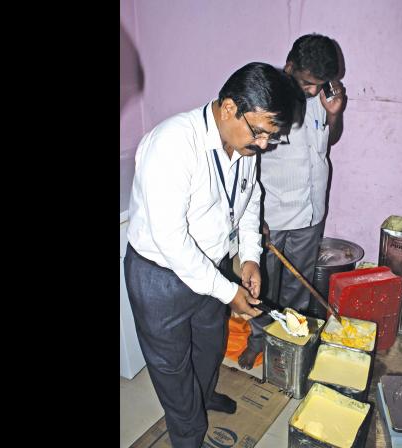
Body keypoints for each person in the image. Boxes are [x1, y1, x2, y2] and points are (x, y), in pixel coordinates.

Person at [124, 62, 304, 447]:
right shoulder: (172, 145)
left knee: (209, 342)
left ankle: (203, 396)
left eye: (271, 138)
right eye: (259, 133)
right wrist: (228, 292)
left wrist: (251, 255)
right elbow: (172, 241)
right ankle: (187, 434)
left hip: (214, 265)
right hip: (161, 274)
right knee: (171, 365)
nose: (262, 145)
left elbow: (251, 197)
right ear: (228, 108)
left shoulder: (244, 143)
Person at [239, 34, 345, 370]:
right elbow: (246, 161)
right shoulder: (267, 102)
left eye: (319, 84)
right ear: (289, 68)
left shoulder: (320, 99)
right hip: (272, 216)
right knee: (262, 288)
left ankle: (290, 345)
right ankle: (258, 339)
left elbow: (331, 140)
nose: (313, 91)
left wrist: (333, 114)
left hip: (311, 214)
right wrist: (255, 222)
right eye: (307, 83)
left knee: (299, 290)